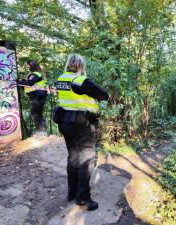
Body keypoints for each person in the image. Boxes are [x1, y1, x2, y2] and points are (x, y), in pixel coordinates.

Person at [54, 54, 108, 211]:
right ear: (80, 65)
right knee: (86, 160)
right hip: (81, 125)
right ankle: (83, 197)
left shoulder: (61, 79)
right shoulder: (80, 81)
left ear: (68, 64)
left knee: (73, 157)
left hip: (65, 123)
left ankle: (72, 192)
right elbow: (103, 94)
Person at [18, 60, 47, 134]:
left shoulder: (35, 74)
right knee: (37, 113)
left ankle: (42, 131)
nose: (27, 67)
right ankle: (41, 131)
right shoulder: (35, 74)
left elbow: (29, 83)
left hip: (38, 96)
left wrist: (17, 82)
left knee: (36, 114)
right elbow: (30, 83)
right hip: (38, 95)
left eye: (28, 65)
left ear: (31, 66)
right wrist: (22, 81)